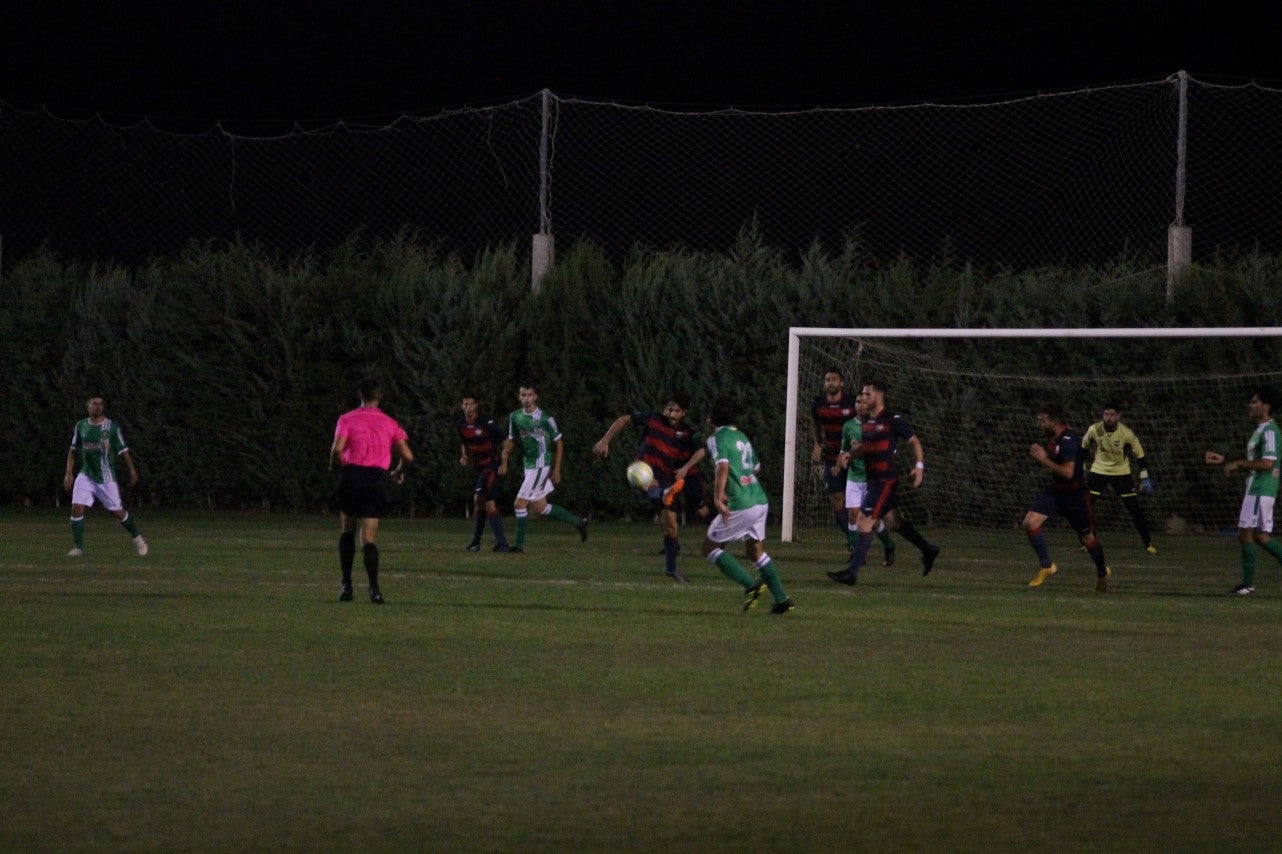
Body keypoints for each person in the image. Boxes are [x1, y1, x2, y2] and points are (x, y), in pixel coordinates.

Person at [827, 379, 940, 585]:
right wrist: (850, 455)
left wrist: (919, 466)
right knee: (894, 522)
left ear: (878, 396)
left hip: (884, 480)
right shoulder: (868, 423)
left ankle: (852, 573)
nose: (863, 398)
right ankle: (928, 549)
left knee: (864, 521)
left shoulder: (892, 419)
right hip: (873, 481)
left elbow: (914, 440)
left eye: (867, 394)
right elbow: (865, 448)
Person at [593, 391, 705, 582]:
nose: (671, 414)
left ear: (683, 413)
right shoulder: (653, 418)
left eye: (676, 411)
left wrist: (686, 467)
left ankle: (670, 568)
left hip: (667, 479)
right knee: (648, 482)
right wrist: (605, 440)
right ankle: (663, 493)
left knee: (672, 526)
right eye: (669, 409)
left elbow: (701, 450)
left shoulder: (688, 432)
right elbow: (624, 419)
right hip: (642, 471)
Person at [701, 395, 794, 613]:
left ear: (712, 420)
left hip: (741, 502)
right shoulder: (742, 436)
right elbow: (756, 468)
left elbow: (722, 467)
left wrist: (718, 495)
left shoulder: (716, 438)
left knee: (710, 547)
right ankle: (781, 600)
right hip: (759, 499)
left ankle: (751, 586)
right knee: (755, 552)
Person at [330, 379, 414, 604]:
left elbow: (337, 450)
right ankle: (374, 590)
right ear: (379, 397)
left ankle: (346, 586)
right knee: (369, 537)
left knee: (347, 529)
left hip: (352, 475)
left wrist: (334, 467)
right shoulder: (390, 422)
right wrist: (397, 471)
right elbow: (408, 456)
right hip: (376, 478)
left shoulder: (346, 419)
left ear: (360, 395)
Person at [1023, 404, 1112, 592]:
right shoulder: (1055, 436)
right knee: (1030, 522)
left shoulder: (1068, 441)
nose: (1039, 423)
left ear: (1053, 421)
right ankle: (1047, 566)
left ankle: (1102, 572)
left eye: (1043, 420)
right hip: (1055, 492)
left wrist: (1043, 459)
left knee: (1088, 539)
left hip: (1075, 497)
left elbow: (1068, 472)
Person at [811, 368, 896, 564]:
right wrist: (824, 449)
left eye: (834, 379)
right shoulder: (840, 420)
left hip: (869, 473)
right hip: (840, 464)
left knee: (873, 518)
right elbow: (825, 431)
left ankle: (888, 544)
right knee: (849, 512)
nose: (829, 382)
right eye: (826, 379)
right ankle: (856, 548)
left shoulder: (874, 422)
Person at [1204, 388, 1282, 595]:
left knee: (1245, 533)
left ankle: (1247, 584)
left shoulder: (1270, 431)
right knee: (1260, 536)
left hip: (1260, 489)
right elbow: (1254, 459)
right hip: (1256, 489)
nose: (1251, 405)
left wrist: (1237, 464)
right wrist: (1226, 460)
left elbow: (1267, 462)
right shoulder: (1260, 429)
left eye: (1255, 402)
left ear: (1266, 406)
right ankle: (1248, 584)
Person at [499, 381, 588, 551]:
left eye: (530, 395)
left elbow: (559, 443)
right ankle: (579, 522)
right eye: (523, 395)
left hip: (541, 465)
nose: (526, 398)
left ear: (535, 396)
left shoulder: (546, 418)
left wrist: (556, 469)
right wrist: (505, 458)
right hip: (529, 465)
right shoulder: (515, 416)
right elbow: (510, 440)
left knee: (519, 504)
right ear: (519, 397)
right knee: (540, 507)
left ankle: (518, 546)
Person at [63, 395, 148, 557]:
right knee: (77, 508)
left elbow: (123, 451)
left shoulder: (111, 427)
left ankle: (137, 537)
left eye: (101, 404)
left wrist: (132, 470)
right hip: (86, 474)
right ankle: (78, 548)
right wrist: (68, 473)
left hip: (106, 476)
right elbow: (73, 450)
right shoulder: (81, 426)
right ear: (88, 407)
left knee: (117, 512)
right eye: (95, 404)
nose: (98, 406)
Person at [1083, 402, 1157, 554]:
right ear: (1102, 416)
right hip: (1098, 471)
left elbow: (1139, 453)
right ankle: (1089, 542)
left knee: (1134, 509)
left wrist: (1144, 475)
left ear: (1118, 417)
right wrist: (1082, 468)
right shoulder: (1094, 429)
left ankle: (1148, 544)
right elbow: (1083, 448)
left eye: (1112, 415)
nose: (1109, 418)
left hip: (1121, 473)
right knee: (1086, 506)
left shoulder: (1126, 433)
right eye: (1106, 414)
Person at [458, 393, 512, 552]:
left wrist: (504, 461)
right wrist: (464, 456)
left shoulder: (486, 422)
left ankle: (490, 543)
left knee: (479, 499)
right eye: (464, 404)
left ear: (476, 406)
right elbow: (464, 443)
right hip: (478, 467)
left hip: (491, 466)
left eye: (470, 404)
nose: (467, 407)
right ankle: (488, 543)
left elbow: (506, 440)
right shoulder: (461, 425)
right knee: (485, 504)